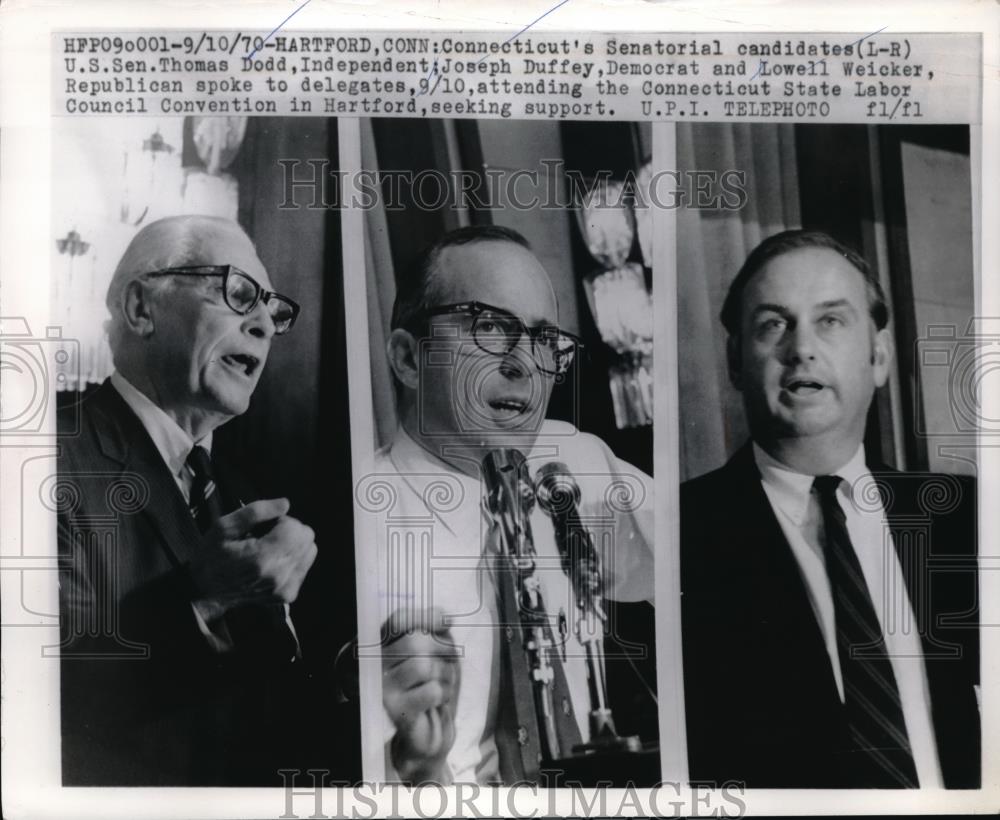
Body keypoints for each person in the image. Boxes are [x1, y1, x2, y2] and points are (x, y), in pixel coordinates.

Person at [680, 230, 979, 788]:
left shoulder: (970, 524)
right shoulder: (677, 539)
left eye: (831, 320)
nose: (801, 348)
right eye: (773, 324)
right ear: (735, 362)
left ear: (880, 355)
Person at [364, 225, 657, 785]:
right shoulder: (356, 533)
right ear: (407, 358)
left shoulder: (574, 461)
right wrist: (418, 768)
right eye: (490, 326)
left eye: (545, 339)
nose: (525, 364)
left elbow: (717, 552)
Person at [57, 215, 324, 786]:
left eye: (273, 311)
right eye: (238, 294)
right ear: (141, 309)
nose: (265, 327)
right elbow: (44, 696)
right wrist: (199, 599)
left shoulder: (244, 496)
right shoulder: (45, 461)